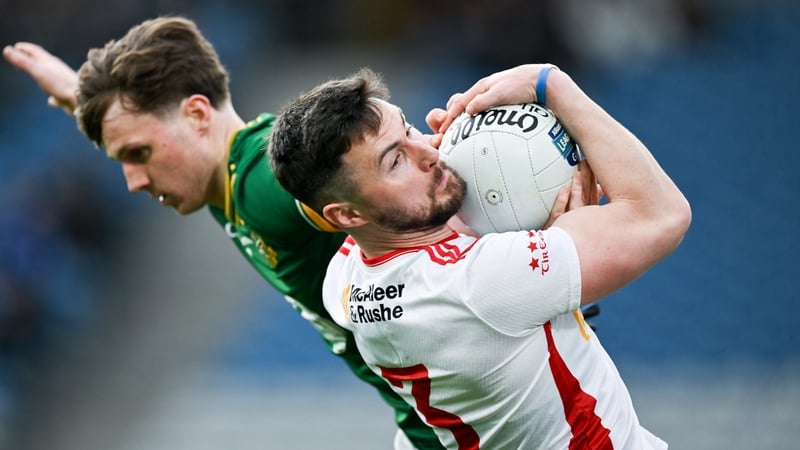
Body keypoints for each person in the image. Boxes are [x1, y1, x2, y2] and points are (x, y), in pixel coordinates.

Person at [3, 16, 594, 449]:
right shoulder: (222, 174)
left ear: (197, 115)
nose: (133, 180)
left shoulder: (263, 185)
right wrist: (77, 92)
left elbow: (365, 173)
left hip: (482, 433)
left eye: (138, 153)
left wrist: (528, 236)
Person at [268, 66, 691, 449]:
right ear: (347, 214)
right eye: (396, 161)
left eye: (411, 129)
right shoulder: (480, 282)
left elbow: (434, 251)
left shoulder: (345, 280)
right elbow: (662, 215)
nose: (430, 151)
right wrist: (550, 85)